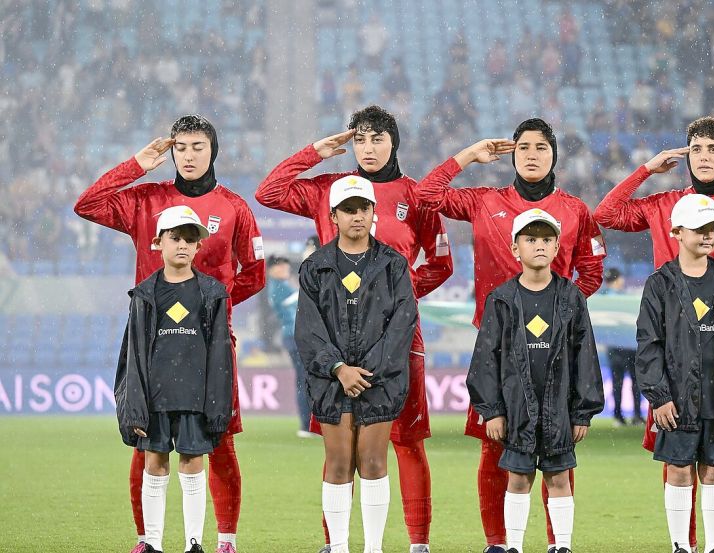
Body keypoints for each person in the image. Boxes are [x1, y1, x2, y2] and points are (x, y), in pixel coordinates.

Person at [256, 105, 451, 553]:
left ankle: (418, 543)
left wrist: (395, 299)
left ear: (394, 142)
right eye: (359, 139)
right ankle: (336, 544)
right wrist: (314, 153)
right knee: (338, 450)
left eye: (377, 138)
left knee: (407, 442)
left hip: (398, 339)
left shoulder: (417, 196)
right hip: (334, 341)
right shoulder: (328, 189)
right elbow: (269, 192)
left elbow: (442, 263)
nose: (367, 148)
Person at [594, 116, 714, 553]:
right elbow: (605, 214)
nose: (704, 156)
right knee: (677, 456)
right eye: (696, 148)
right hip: (676, 354)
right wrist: (646, 170)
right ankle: (688, 545)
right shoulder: (665, 203)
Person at [75, 115, 265, 553]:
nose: (188, 156)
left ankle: (226, 540)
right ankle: (147, 540)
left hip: (210, 342)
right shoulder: (146, 200)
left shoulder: (233, 207)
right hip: (151, 341)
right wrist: (136, 166)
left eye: (198, 147)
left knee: (219, 440)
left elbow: (254, 272)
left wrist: (210, 307)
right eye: (180, 148)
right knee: (144, 442)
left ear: (213, 151)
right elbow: (87, 204)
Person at [417, 118, 606, 553]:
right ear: (512, 155)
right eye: (523, 147)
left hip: (553, 352)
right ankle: (498, 544)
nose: (532, 155)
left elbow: (592, 271)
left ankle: (558, 543)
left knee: (557, 452)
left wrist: (559, 312)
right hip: (498, 349)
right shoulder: (486, 201)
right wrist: (469, 155)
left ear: (554, 155)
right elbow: (426, 195)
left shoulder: (575, 210)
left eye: (541, 147)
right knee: (494, 447)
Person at [468, 209, 604, 553]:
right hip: (516, 410)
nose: (539, 245)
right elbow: (486, 360)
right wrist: (492, 410)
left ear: (557, 247)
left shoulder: (571, 297)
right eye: (530, 239)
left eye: (546, 239)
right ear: (515, 248)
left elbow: (585, 356)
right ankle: (514, 546)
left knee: (559, 478)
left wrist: (582, 412)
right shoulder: (501, 299)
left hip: (560, 408)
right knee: (518, 478)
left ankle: (562, 546)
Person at [294, 176, 418, 553]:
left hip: (380, 379)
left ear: (373, 212)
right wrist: (338, 368)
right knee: (338, 462)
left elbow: (403, 323)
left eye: (363, 208)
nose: (357, 216)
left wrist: (366, 372)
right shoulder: (315, 266)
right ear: (333, 216)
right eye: (348, 210)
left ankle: (373, 548)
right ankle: (340, 547)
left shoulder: (393, 265)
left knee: (374, 461)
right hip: (331, 381)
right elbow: (308, 329)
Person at [635, 194, 714, 553]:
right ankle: (681, 546)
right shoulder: (660, 283)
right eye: (699, 228)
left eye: (713, 228)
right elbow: (648, 344)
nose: (708, 235)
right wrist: (659, 396)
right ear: (677, 232)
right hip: (676, 399)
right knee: (678, 470)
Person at [115, 206, 234, 553]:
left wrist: (217, 405)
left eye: (190, 239)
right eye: (175, 237)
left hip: (195, 396)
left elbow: (220, 355)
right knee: (154, 463)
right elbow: (133, 354)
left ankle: (193, 542)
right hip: (156, 397)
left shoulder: (212, 292)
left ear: (199, 246)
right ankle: (152, 542)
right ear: (158, 243)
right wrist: (134, 405)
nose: (183, 245)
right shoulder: (144, 294)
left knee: (193, 463)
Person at [266, 255, 313, 438]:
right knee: (304, 380)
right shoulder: (280, 288)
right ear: (271, 270)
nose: (284, 269)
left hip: (293, 337)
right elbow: (306, 298)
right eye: (280, 266)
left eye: (285, 265)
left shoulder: (280, 286)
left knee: (304, 379)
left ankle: (308, 423)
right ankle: (307, 424)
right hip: (296, 337)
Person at [600, 267, 643, 427]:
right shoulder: (626, 298)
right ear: (619, 280)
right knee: (635, 382)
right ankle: (637, 415)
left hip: (614, 347)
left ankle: (618, 416)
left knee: (617, 382)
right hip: (629, 346)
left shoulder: (603, 299)